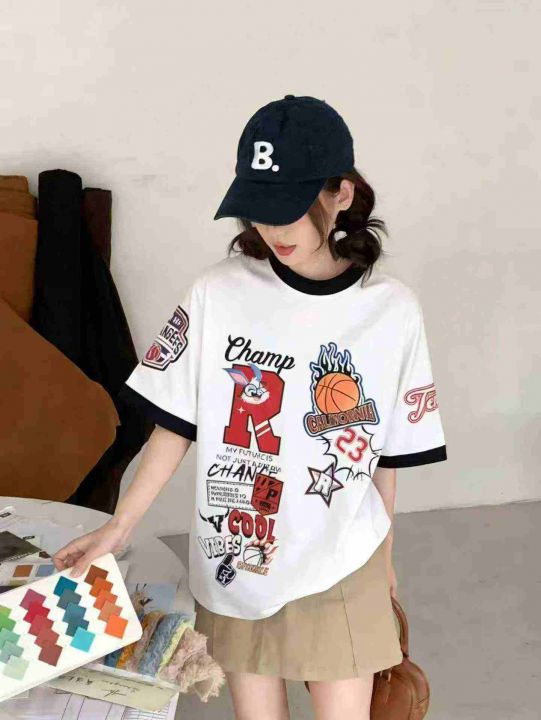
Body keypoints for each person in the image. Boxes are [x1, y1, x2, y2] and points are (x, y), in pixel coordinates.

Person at [52, 94, 448, 720]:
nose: (272, 229)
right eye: (258, 209)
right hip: (237, 555)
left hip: (343, 557)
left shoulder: (391, 310)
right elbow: (174, 425)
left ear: (342, 193)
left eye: (287, 210)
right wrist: (119, 526)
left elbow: (387, 454)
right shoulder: (218, 293)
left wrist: (387, 558)